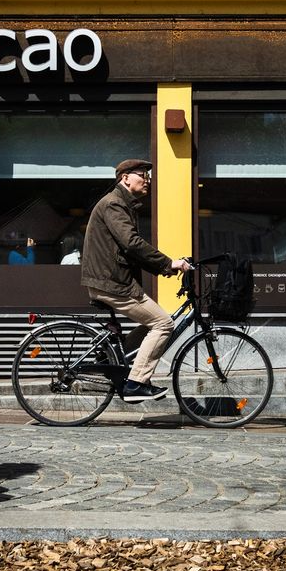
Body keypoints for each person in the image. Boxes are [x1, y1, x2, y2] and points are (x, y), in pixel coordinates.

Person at [82, 158, 191, 403]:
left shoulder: (124, 204)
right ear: (125, 178)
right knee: (164, 324)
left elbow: (128, 250)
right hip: (112, 283)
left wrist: (165, 268)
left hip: (112, 280)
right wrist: (167, 262)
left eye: (148, 176)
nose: (147, 181)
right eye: (143, 175)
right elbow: (131, 243)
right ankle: (136, 383)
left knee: (152, 322)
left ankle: (111, 358)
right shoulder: (114, 204)